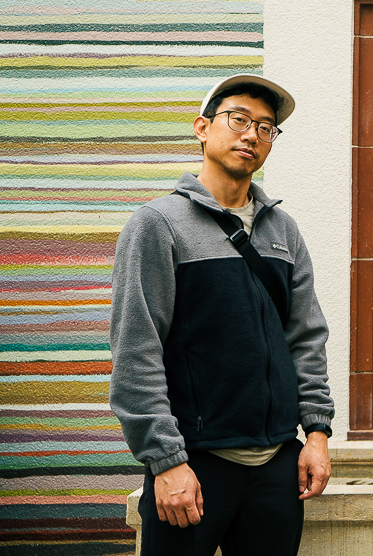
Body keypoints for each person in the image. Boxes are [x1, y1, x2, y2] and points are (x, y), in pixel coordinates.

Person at [109, 74, 334, 556]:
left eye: (267, 127)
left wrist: (316, 434)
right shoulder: (158, 225)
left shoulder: (283, 229)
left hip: (277, 467)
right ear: (202, 128)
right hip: (194, 465)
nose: (252, 134)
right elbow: (136, 352)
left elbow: (306, 337)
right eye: (239, 119)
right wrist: (166, 462)